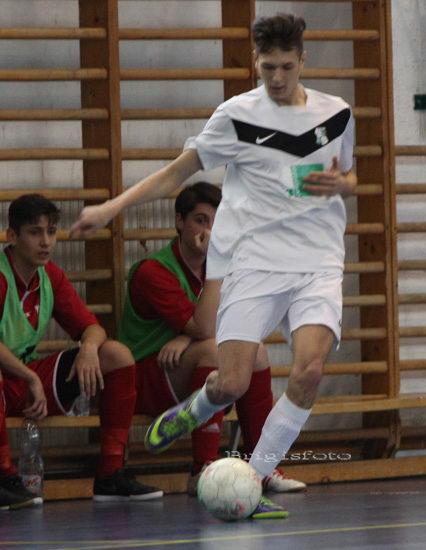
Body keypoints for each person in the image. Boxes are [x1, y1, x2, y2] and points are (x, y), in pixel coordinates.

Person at [70, 13, 356, 518]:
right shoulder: (236, 116)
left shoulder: (336, 114)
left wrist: (344, 185)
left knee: (309, 370)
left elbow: (348, 176)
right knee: (232, 383)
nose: (277, 78)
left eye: (287, 67)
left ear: (303, 60)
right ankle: (200, 405)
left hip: (317, 261)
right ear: (255, 62)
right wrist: (112, 208)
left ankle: (256, 477)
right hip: (254, 261)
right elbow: (173, 175)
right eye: (268, 67)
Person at [119, 182, 305, 495]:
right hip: (145, 379)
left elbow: (241, 326)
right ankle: (202, 468)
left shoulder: (223, 267)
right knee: (214, 352)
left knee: (256, 350)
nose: (210, 230)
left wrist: (186, 338)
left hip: (186, 367)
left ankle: (261, 466)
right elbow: (206, 329)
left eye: (218, 223)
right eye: (201, 220)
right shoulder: (153, 271)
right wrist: (217, 269)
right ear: (180, 222)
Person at [0, 194, 163, 506]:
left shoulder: (50, 276)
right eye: (35, 232)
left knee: (115, 355)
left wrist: (88, 346)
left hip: (21, 380)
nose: (46, 241)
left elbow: (93, 327)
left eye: (51, 232)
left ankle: (110, 474)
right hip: (13, 378)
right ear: (12, 236)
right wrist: (31, 378)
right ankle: (4, 476)